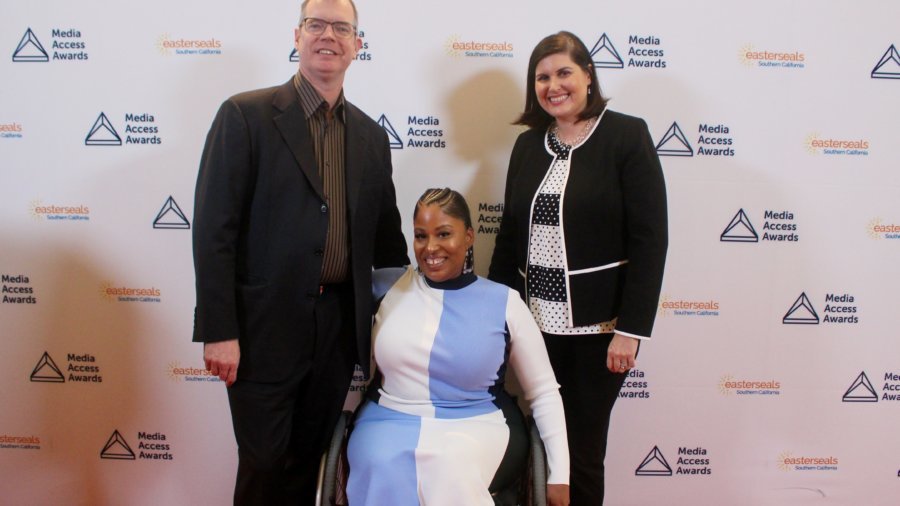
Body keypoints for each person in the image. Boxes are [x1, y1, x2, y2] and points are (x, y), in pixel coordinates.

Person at [191, 0, 408, 503]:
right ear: (297, 35)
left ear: (358, 44)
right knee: (263, 462)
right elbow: (213, 232)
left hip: (335, 331)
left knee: (308, 462)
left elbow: (388, 243)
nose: (327, 35)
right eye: (316, 24)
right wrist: (219, 331)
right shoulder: (245, 116)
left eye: (341, 27)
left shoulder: (373, 139)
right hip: (261, 328)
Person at [488, 31, 668, 505]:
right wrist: (494, 322)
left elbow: (650, 240)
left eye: (564, 72)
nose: (553, 85)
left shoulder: (627, 135)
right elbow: (510, 238)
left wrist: (631, 329)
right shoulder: (528, 146)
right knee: (544, 445)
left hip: (600, 332)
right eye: (542, 77)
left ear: (588, 75)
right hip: (536, 330)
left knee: (582, 453)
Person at [346, 188, 570, 506]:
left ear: (468, 237)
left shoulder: (505, 302)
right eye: (421, 236)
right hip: (388, 416)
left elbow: (544, 392)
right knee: (379, 461)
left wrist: (559, 475)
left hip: (478, 422)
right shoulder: (387, 286)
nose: (431, 247)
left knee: (450, 466)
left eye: (444, 234)